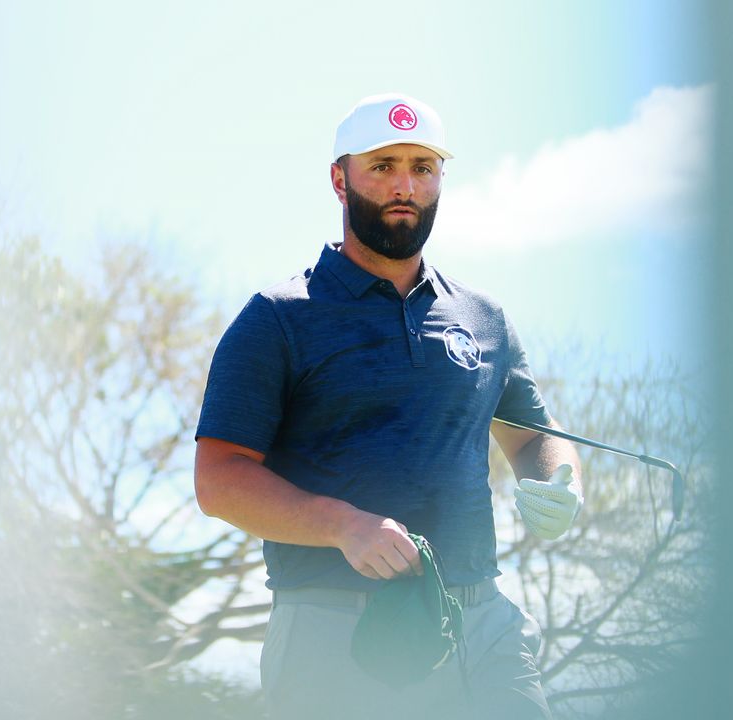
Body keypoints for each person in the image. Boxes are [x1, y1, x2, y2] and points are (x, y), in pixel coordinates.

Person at [194, 93, 584, 720]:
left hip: (482, 623)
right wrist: (342, 525)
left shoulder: (483, 319)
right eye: (382, 165)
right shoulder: (277, 317)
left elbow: (533, 433)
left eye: (423, 167)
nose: (405, 184)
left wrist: (558, 479)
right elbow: (218, 481)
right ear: (339, 179)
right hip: (332, 629)